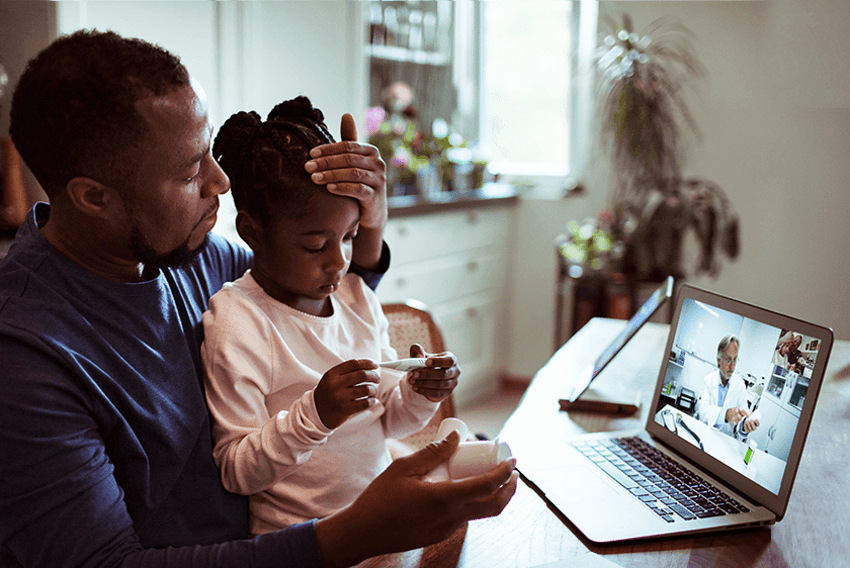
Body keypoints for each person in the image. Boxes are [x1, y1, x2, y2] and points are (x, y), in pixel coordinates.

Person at [0, 30, 517, 568]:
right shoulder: (24, 360)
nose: (220, 182)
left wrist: (368, 219)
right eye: (189, 172)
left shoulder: (191, 252)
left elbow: (316, 296)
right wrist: (351, 535)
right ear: (93, 197)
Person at [202, 97, 459, 534]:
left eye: (349, 237)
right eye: (316, 245)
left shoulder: (357, 297)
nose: (339, 262)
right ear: (252, 232)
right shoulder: (238, 321)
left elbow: (390, 422)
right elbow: (236, 471)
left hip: (381, 523)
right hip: (303, 543)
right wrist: (316, 415)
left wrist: (420, 393)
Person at [695, 335, 760, 438]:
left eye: (734, 360)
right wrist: (725, 415)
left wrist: (745, 426)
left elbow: (742, 420)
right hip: (704, 436)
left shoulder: (740, 385)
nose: (732, 366)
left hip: (725, 441)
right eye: (728, 360)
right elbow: (703, 411)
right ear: (719, 360)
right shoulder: (708, 381)